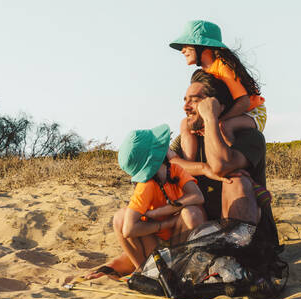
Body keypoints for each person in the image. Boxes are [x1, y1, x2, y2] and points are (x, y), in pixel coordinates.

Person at [168, 69, 279, 249]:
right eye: (185, 100)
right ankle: (200, 261)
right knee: (190, 212)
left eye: (195, 101)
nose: (186, 107)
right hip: (208, 230)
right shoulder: (189, 137)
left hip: (252, 239)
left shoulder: (250, 137)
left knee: (236, 182)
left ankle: (239, 257)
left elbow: (221, 165)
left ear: (219, 105)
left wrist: (211, 119)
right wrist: (204, 168)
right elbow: (171, 163)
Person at [85, 124, 206, 279]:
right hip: (154, 240)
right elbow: (128, 229)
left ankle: (175, 267)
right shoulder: (146, 186)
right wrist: (165, 224)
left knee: (192, 214)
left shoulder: (175, 170)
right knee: (121, 218)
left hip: (178, 238)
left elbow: (197, 196)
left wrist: (161, 211)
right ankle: (144, 270)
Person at [170, 20, 268, 161]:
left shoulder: (222, 66)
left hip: (253, 112)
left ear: (202, 46)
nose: (182, 50)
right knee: (185, 125)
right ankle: (189, 169)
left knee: (224, 127)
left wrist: (217, 120)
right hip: (230, 111)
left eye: (187, 45)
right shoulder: (205, 71)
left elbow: (244, 102)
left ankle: (232, 162)